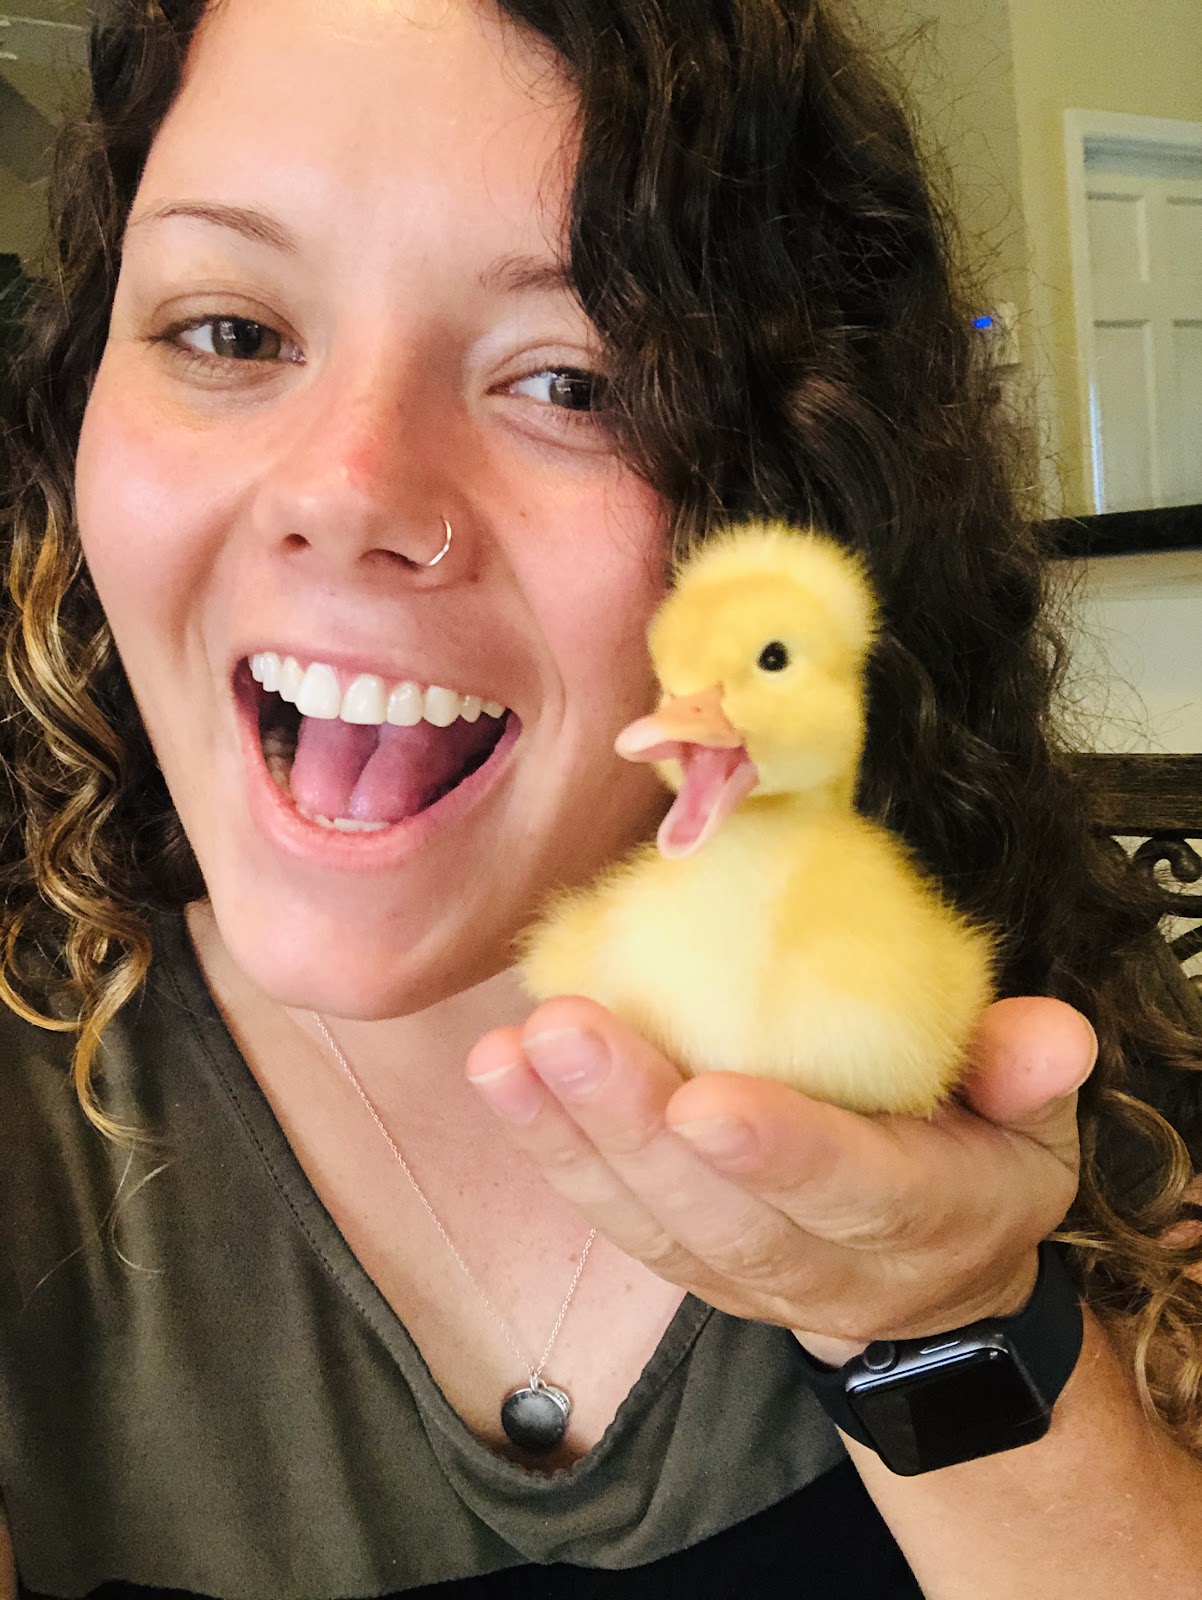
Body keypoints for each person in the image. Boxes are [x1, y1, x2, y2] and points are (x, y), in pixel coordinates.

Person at [2, 0, 1201, 1594]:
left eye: (572, 379)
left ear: (792, 489)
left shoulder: (1041, 1057)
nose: (345, 492)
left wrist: (940, 1327)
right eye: (230, 333)